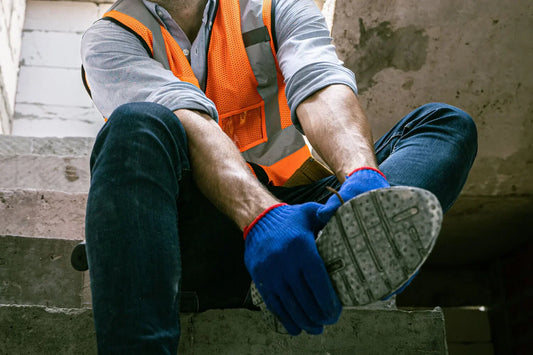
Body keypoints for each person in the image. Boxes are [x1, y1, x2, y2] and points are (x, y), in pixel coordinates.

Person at [81, 0, 477, 352]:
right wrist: (260, 218)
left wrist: (361, 175)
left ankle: (331, 247)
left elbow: (319, 83)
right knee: (134, 126)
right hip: (201, 231)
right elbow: (186, 118)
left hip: (304, 213)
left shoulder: (274, 6)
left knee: (444, 125)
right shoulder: (112, 36)